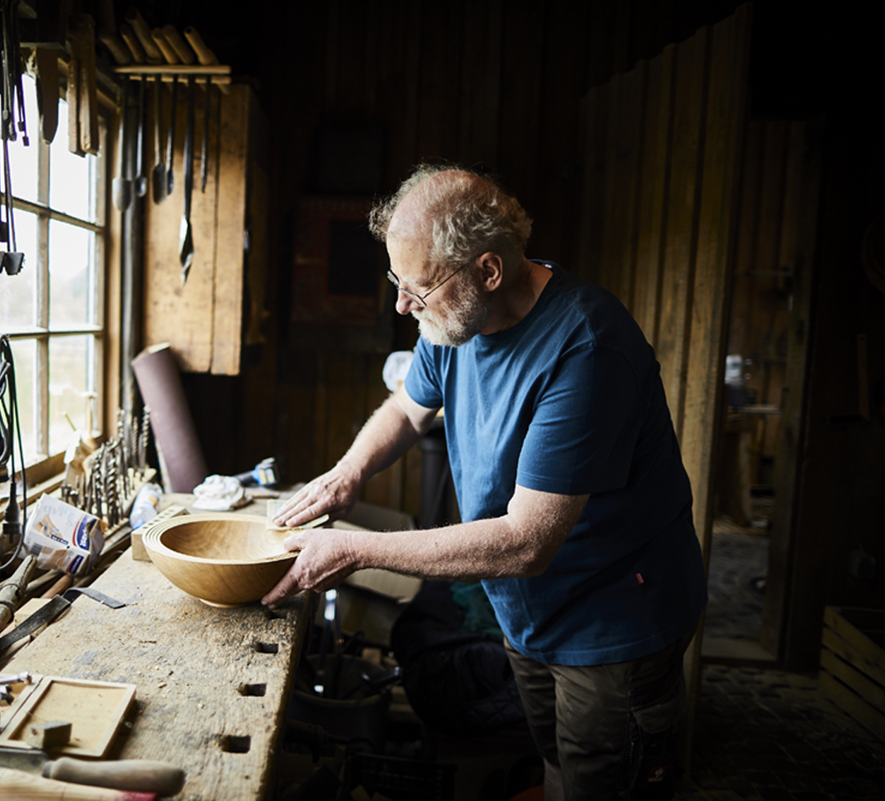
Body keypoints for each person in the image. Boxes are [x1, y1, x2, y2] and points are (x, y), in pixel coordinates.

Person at [263, 165, 707, 801]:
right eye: (397, 281)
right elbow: (407, 409)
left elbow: (527, 542)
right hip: (527, 608)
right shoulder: (452, 318)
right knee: (555, 764)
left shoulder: (586, 346)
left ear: (489, 271)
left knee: (604, 787)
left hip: (613, 621)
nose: (401, 304)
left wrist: (355, 550)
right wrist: (348, 473)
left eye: (416, 288)